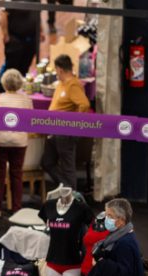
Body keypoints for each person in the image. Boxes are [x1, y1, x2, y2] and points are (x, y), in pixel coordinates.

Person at [41, 54, 91, 190]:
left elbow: (84, 105)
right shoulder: (61, 84)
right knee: (47, 162)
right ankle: (66, 187)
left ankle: (71, 195)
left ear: (60, 69)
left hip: (65, 131)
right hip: (54, 130)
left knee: (67, 166)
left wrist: (75, 125)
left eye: (56, 70)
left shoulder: (73, 85)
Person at [0, 69, 33, 216]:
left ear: (4, 82)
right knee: (17, 175)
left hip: (1, 141)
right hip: (20, 142)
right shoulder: (26, 100)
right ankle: (16, 208)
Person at [0, 0, 43, 79]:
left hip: (31, 40)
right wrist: (5, 34)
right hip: (15, 40)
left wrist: (40, 30)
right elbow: (3, 14)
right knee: (10, 69)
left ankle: (20, 86)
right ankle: (1, 89)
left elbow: (37, 14)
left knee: (24, 68)